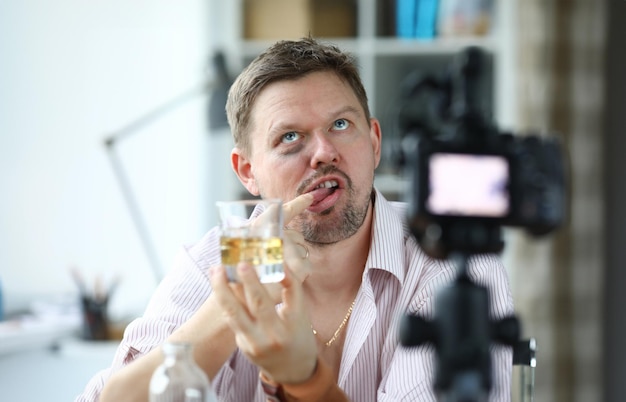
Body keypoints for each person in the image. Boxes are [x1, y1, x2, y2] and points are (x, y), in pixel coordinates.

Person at [76, 37, 513, 402]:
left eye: (341, 124)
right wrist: (236, 307)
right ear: (247, 171)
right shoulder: (210, 259)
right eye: (290, 137)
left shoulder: (450, 260)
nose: (323, 152)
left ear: (375, 142)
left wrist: (306, 380)